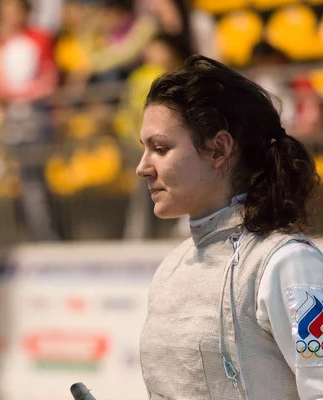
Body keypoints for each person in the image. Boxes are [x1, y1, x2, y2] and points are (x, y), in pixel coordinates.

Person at [136, 55, 323, 398]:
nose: (142, 168)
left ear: (219, 149)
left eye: (160, 148)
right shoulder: (171, 268)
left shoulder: (286, 264)